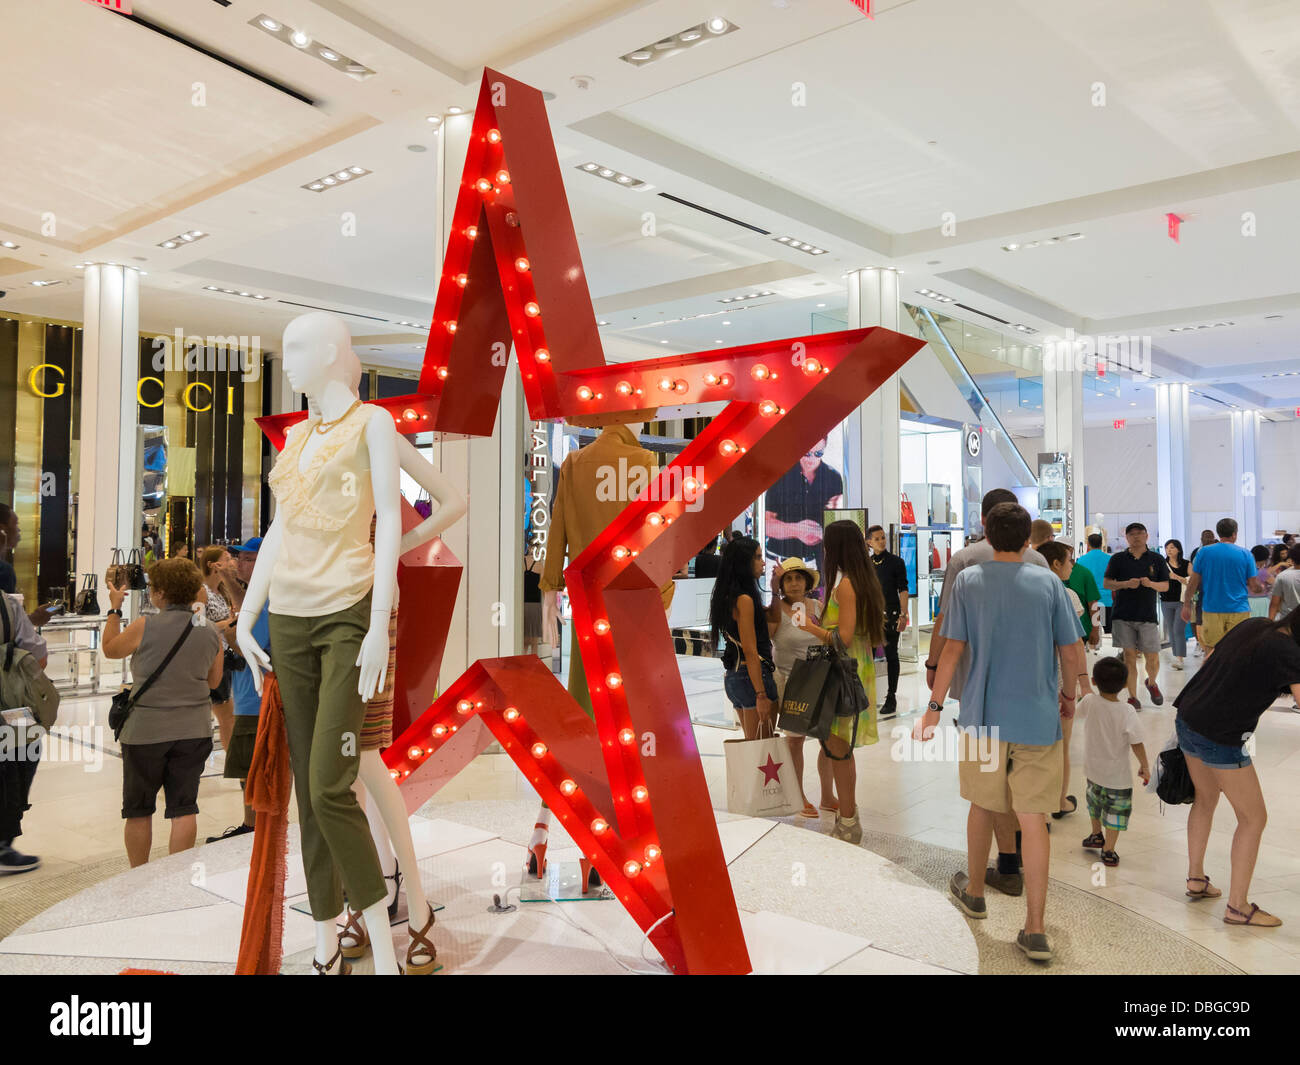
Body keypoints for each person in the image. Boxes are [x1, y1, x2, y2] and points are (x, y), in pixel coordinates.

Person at [919, 502, 1086, 962]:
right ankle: (1034, 928)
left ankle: (974, 892)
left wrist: (933, 709)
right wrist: (1068, 696)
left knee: (983, 804)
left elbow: (952, 650)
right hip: (1036, 719)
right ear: (1028, 540)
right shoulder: (1050, 583)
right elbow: (1071, 653)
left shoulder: (970, 581)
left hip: (984, 716)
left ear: (987, 537)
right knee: (1033, 819)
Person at [927, 488, 1053, 896]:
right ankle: (1015, 868)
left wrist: (933, 675)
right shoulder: (1039, 565)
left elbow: (947, 625)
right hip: (1032, 696)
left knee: (986, 789)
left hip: (977, 690)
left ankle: (991, 878)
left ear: (983, 521)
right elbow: (1064, 642)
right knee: (1024, 794)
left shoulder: (965, 564)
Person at [1173, 609, 1300, 927]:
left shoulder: (1257, 625)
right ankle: (1238, 906)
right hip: (1220, 735)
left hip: (1188, 716)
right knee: (1254, 817)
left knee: (1205, 798)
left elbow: (1209, 660)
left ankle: (1196, 879)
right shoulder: (1289, 652)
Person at [100, 560, 223, 867]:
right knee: (184, 808)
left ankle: (139, 876)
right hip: (194, 730)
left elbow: (111, 649)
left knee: (139, 809)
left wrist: (114, 609)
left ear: (161, 592)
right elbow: (214, 682)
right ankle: (174, 878)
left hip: (146, 731)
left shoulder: (146, 625)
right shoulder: (208, 631)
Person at [790, 520, 884, 844]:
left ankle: (848, 820)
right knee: (839, 749)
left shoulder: (845, 584)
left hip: (842, 673)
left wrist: (809, 627)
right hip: (851, 670)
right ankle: (847, 813)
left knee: (840, 750)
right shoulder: (859, 579)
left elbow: (842, 638)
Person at [207, 538, 265, 843]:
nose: (236, 563)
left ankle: (255, 827)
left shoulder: (268, 597)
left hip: (256, 700)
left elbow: (251, 646)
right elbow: (245, 610)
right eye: (236, 558)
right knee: (248, 768)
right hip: (247, 696)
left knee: (252, 769)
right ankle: (251, 824)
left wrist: (228, 634)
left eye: (245, 559)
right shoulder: (256, 596)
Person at [766, 557, 831, 818]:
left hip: (820, 678)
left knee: (829, 740)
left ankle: (828, 794)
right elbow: (766, 639)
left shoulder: (818, 606)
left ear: (807, 582)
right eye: (789, 578)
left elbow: (832, 638)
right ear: (781, 584)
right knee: (795, 742)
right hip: (789, 682)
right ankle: (798, 795)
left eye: (799, 578)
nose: (794, 583)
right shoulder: (775, 609)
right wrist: (771, 593)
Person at [1039, 541, 1094, 821]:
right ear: (1057, 564)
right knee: (1061, 745)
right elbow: (1073, 647)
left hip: (1033, 680)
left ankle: (1037, 808)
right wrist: (1075, 689)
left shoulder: (1028, 591)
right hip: (1061, 679)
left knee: (1035, 749)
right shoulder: (1067, 595)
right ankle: (1058, 801)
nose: (1073, 566)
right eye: (1070, 560)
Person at [1077, 656, 1149, 868]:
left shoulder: (1089, 701)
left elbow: (1075, 713)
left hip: (1093, 770)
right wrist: (1144, 765)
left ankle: (1095, 834)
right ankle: (1108, 850)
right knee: (1115, 813)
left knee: (1094, 806)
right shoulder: (1126, 711)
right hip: (1118, 777)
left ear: (1094, 681)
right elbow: (1137, 741)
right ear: (1126, 684)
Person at [0, 589, 51, 874]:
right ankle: (2, 842)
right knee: (24, 751)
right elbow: (38, 657)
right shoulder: (7, 605)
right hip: (8, 704)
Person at [710, 536, 777, 743]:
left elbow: (772, 623)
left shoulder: (728, 596)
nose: (763, 562)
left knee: (754, 747)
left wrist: (775, 590)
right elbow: (750, 648)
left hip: (735, 677)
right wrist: (761, 694)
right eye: (758, 557)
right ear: (744, 563)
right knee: (761, 751)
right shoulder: (744, 599)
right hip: (753, 677)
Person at [1104, 523, 1169, 709]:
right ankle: (1133, 697)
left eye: (1140, 533)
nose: (1136, 537)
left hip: (1147, 615)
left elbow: (1165, 585)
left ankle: (1152, 683)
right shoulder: (1118, 559)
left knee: (1153, 657)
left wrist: (1150, 584)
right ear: (1127, 538)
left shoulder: (1156, 559)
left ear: (1147, 536)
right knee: (1129, 657)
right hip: (1123, 615)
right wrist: (1125, 584)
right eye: (1131, 534)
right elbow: (1107, 583)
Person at [763, 437, 844, 578]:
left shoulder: (833, 477)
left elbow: (834, 521)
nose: (811, 459)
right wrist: (798, 530)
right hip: (779, 559)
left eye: (818, 453)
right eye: (806, 453)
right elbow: (767, 525)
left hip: (812, 561)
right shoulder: (781, 476)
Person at [1181, 518, 1262, 659]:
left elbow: (1193, 582)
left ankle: (1212, 678)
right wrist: (1262, 588)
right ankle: (1234, 679)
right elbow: (1254, 586)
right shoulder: (1246, 554)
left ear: (1218, 533)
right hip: (1238, 609)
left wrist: (1187, 604)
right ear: (1235, 534)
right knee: (1237, 648)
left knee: (1211, 649)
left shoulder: (1204, 552)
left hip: (1212, 608)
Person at [199, 546, 241, 755]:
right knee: (226, 713)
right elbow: (196, 625)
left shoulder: (223, 590)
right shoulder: (201, 591)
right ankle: (235, 762)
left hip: (225, 655)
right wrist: (226, 624)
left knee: (228, 714)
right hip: (210, 657)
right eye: (226, 559)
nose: (232, 562)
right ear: (212, 564)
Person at [866, 524, 909, 719]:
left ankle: (891, 696)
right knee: (869, 656)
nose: (881, 541)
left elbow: (903, 589)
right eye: (877, 538)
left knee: (892, 654)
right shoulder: (866, 564)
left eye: (883, 537)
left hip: (891, 614)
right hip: (871, 615)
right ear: (869, 542)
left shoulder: (896, 562)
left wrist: (903, 614)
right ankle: (867, 696)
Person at [1065, 545, 1102, 652]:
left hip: (1081, 628)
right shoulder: (1049, 571)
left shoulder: (1084, 570)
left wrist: (1095, 629)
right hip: (1058, 630)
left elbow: (1093, 603)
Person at [1076, 533, 1113, 635]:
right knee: (1108, 633)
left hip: (1089, 601)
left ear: (1088, 544)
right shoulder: (1110, 559)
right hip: (1107, 600)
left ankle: (1093, 649)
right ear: (1102, 544)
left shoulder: (1081, 560)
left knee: (1092, 631)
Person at [1162, 539, 1190, 669]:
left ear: (1178, 549)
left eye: (1172, 547)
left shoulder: (1186, 564)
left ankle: (1180, 659)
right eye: (1167, 548)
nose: (1169, 550)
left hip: (1182, 601)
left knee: (1178, 629)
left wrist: (1176, 577)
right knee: (1171, 631)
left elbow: (1192, 581)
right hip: (1166, 601)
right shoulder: (1162, 564)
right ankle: (1176, 656)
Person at [1188, 529, 1217, 652]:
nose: (1207, 539)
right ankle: (1202, 644)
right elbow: (1193, 571)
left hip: (1208, 589)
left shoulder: (1210, 551)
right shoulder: (1198, 552)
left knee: (1202, 618)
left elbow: (1193, 571)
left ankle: (1206, 645)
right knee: (1198, 618)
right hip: (1203, 589)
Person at [1269, 545, 1300, 620]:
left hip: (1287, 620)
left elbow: (1274, 604)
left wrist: (1270, 623)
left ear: (1291, 558)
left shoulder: (1282, 576)